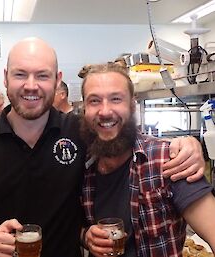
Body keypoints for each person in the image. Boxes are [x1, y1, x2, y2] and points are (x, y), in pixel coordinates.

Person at [0, 37, 206, 257]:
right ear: (6, 78)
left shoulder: (80, 132)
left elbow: (125, 138)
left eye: (42, 75)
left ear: (57, 81)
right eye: (21, 74)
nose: (31, 85)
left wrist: (187, 144)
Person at [79, 63, 215, 257]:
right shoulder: (80, 166)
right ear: (84, 109)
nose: (105, 111)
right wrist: (86, 236)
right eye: (94, 101)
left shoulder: (169, 159)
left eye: (116, 99)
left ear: (132, 106)